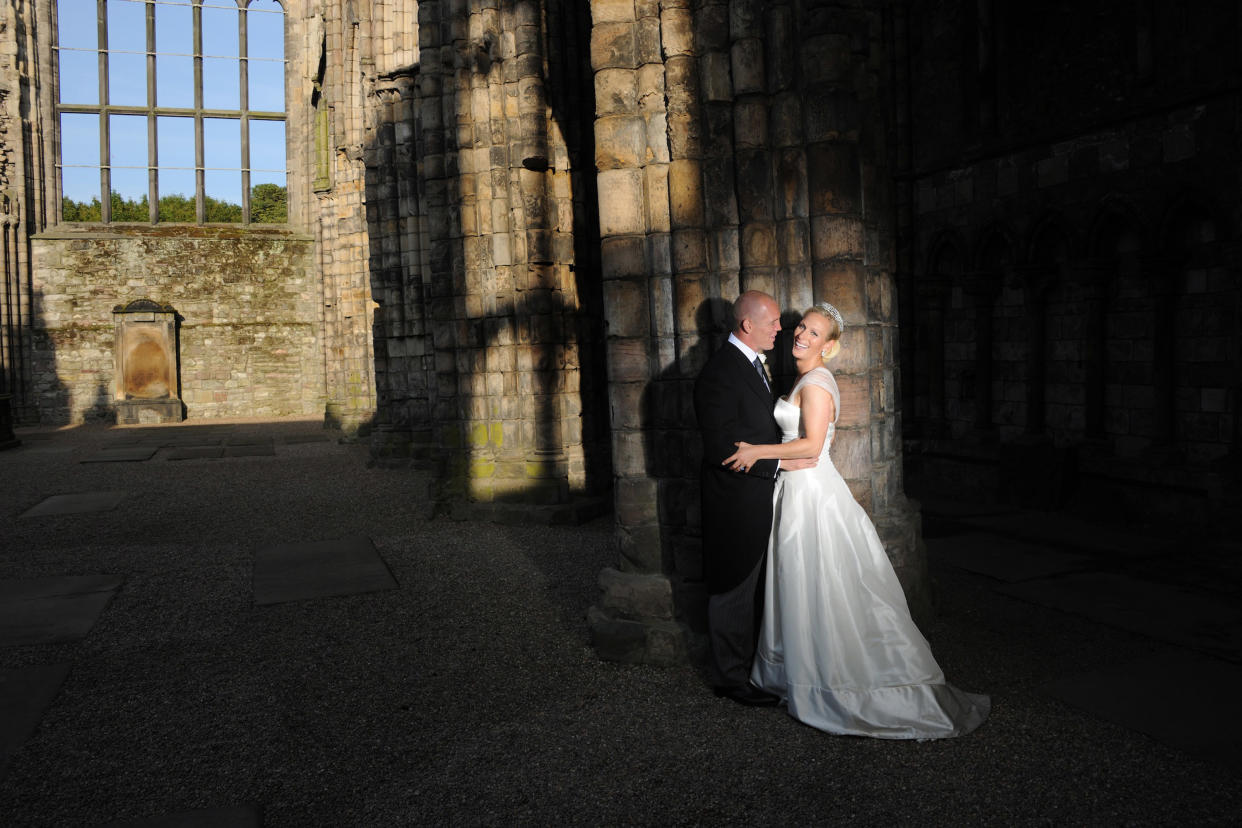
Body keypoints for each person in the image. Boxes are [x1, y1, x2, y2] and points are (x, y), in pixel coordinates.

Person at [723, 302, 990, 738]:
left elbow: (810, 448)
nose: (801, 336)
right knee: (800, 583)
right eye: (802, 327)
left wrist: (756, 452)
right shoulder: (803, 379)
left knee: (823, 584)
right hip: (796, 492)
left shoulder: (818, 384)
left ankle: (839, 682)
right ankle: (795, 673)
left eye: (814, 334)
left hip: (812, 496)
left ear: (829, 347)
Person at [694, 291, 817, 706]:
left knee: (754, 587)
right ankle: (730, 680)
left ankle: (752, 668)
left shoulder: (753, 365)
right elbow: (722, 448)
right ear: (748, 326)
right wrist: (778, 466)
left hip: (758, 497)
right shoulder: (719, 373)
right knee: (733, 586)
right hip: (735, 502)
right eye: (773, 323)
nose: (780, 329)